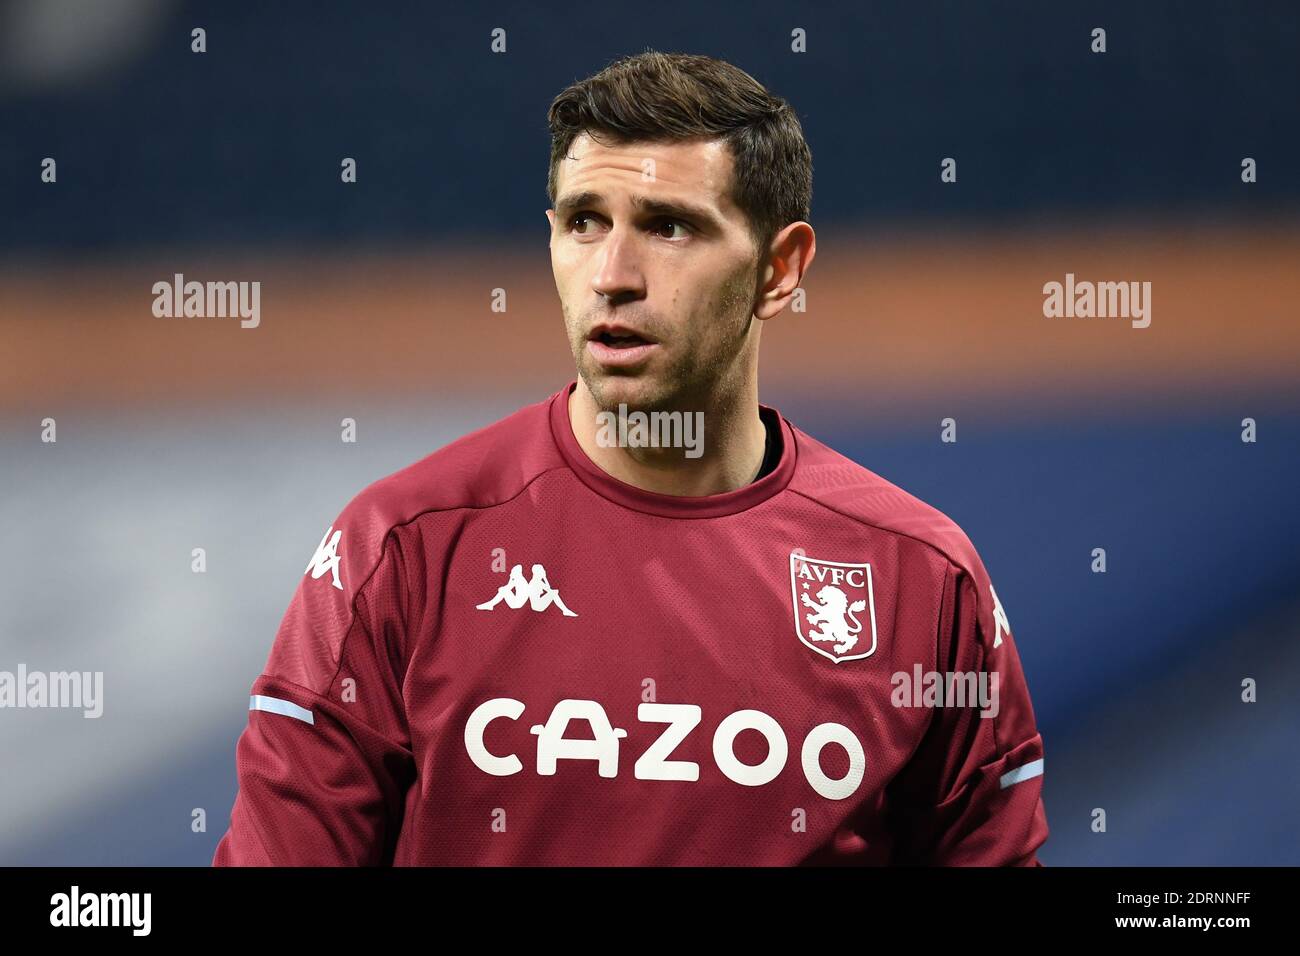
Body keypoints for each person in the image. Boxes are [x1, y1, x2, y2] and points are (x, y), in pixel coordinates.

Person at [213, 50, 1048, 866]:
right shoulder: (402, 546)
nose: (612, 275)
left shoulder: (921, 578)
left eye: (669, 227)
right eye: (584, 222)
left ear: (780, 270)